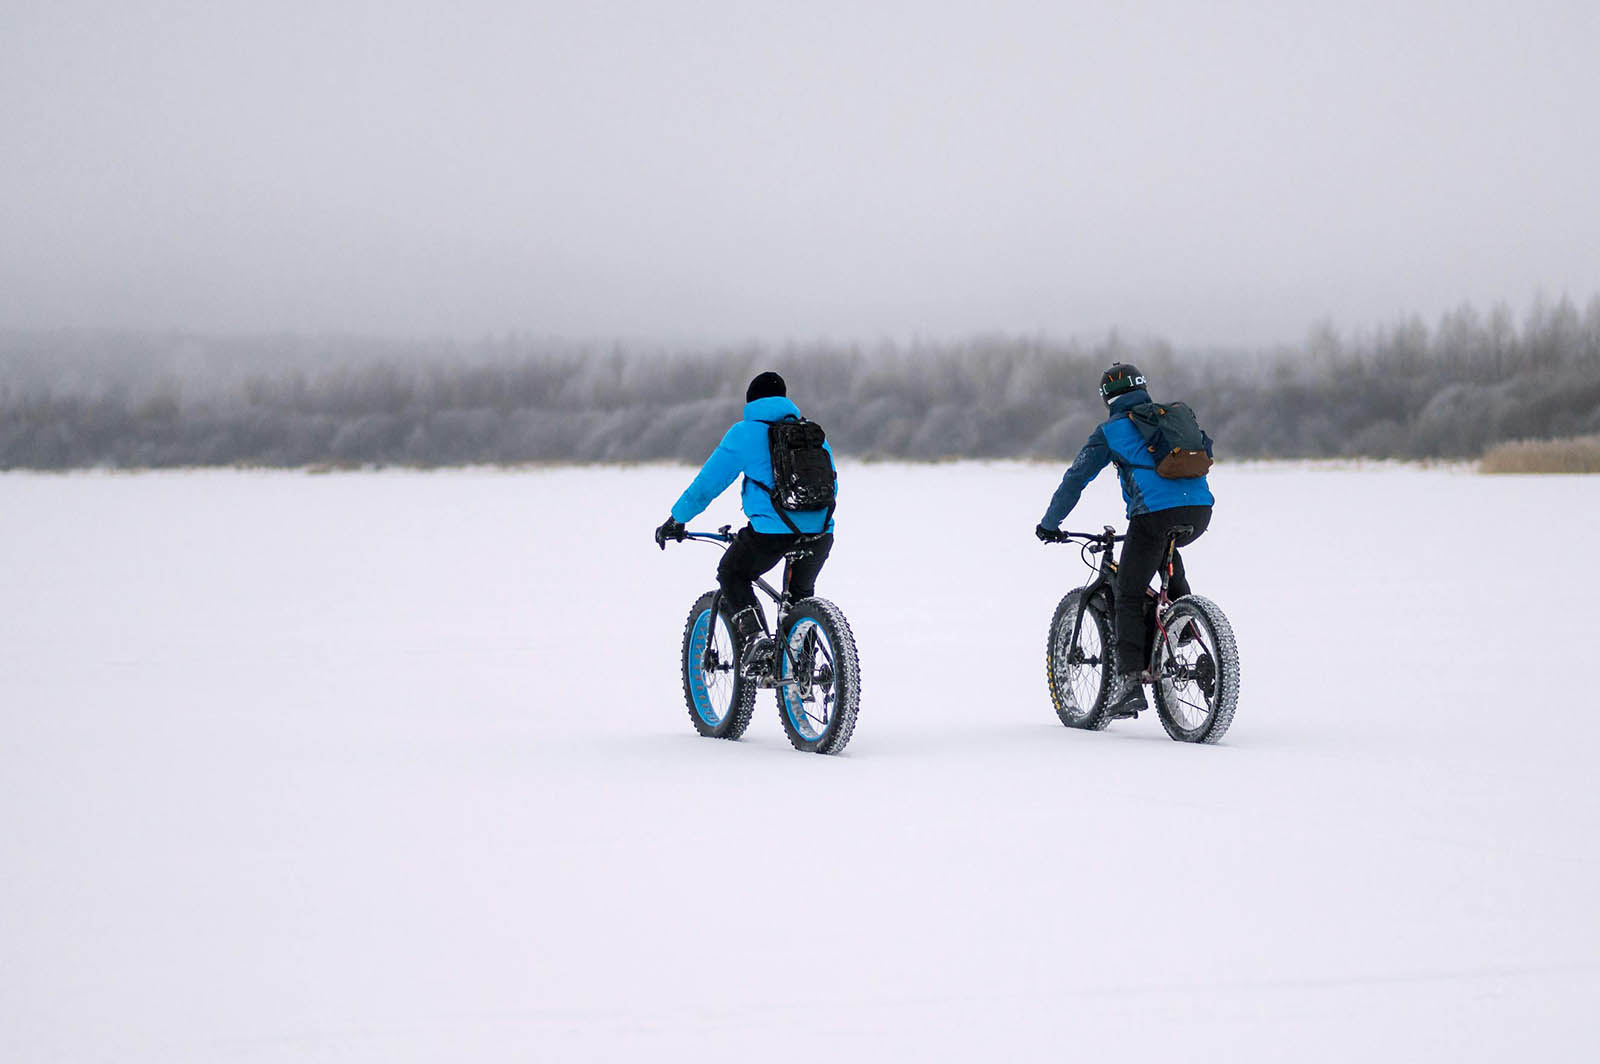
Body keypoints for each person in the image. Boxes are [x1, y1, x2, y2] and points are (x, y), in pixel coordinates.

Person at [1035, 363, 1214, 719]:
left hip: (1152, 516)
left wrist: (1050, 523)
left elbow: (1076, 479)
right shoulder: (1169, 418)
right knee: (1167, 565)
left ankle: (1130, 683)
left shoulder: (1112, 431)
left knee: (1129, 592)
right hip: (1199, 511)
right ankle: (1188, 632)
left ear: (1106, 397)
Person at [655, 371, 836, 673]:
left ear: (752, 401)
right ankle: (802, 665)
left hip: (771, 535)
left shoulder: (745, 433)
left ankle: (755, 640)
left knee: (732, 571)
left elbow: (706, 486)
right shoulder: (812, 434)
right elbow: (832, 484)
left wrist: (676, 519)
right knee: (799, 597)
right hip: (820, 534)